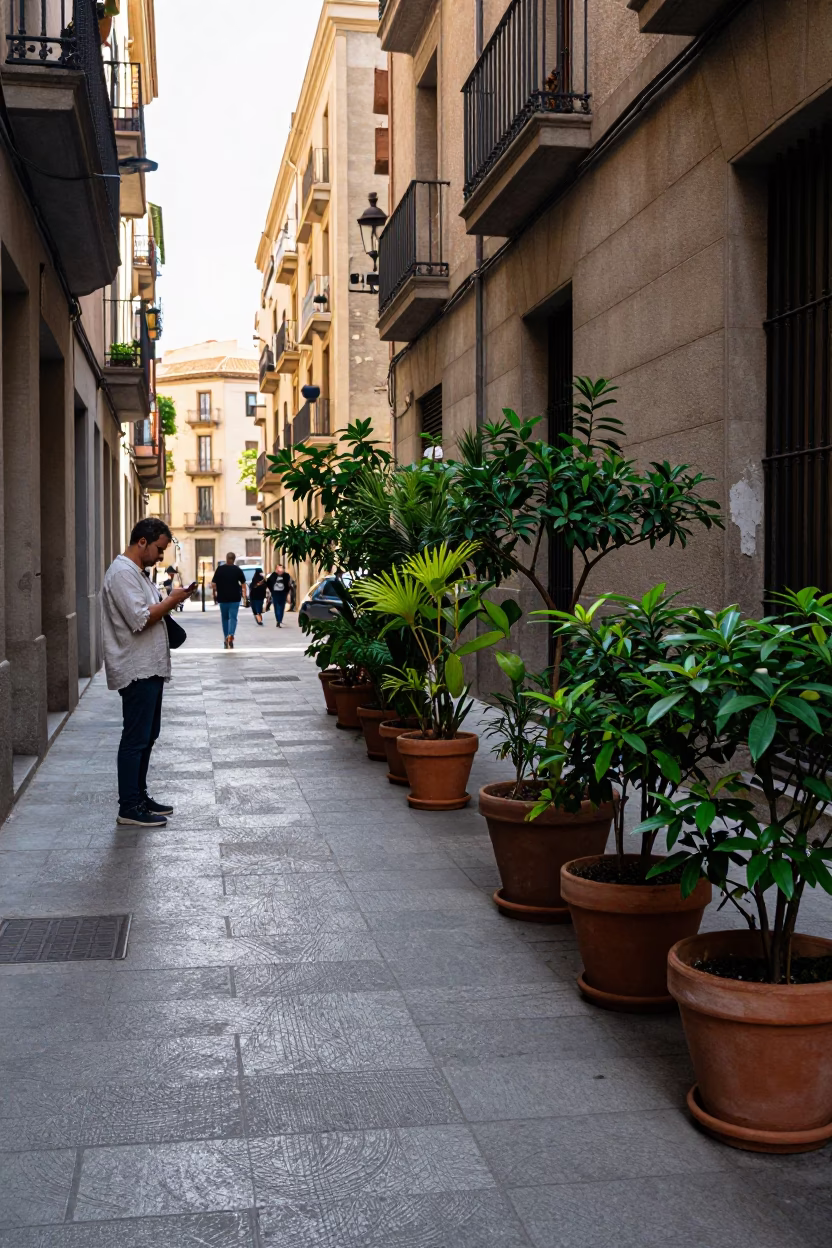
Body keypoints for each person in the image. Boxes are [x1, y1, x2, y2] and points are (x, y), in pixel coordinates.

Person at [101, 517, 194, 828]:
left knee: (148, 736)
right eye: (159, 549)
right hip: (136, 667)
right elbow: (140, 619)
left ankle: (139, 796)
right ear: (142, 541)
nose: (160, 556)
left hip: (149, 667)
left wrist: (170, 601)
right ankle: (129, 807)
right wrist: (171, 600)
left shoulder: (137, 573)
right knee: (135, 738)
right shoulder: (122, 574)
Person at [212, 552, 248, 649]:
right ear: (234, 559)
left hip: (223, 598)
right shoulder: (237, 570)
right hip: (235, 598)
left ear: (226, 558)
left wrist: (216, 591)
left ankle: (226, 637)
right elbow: (243, 584)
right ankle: (231, 634)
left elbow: (213, 584)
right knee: (233, 617)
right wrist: (244, 595)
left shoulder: (220, 569)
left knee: (224, 618)